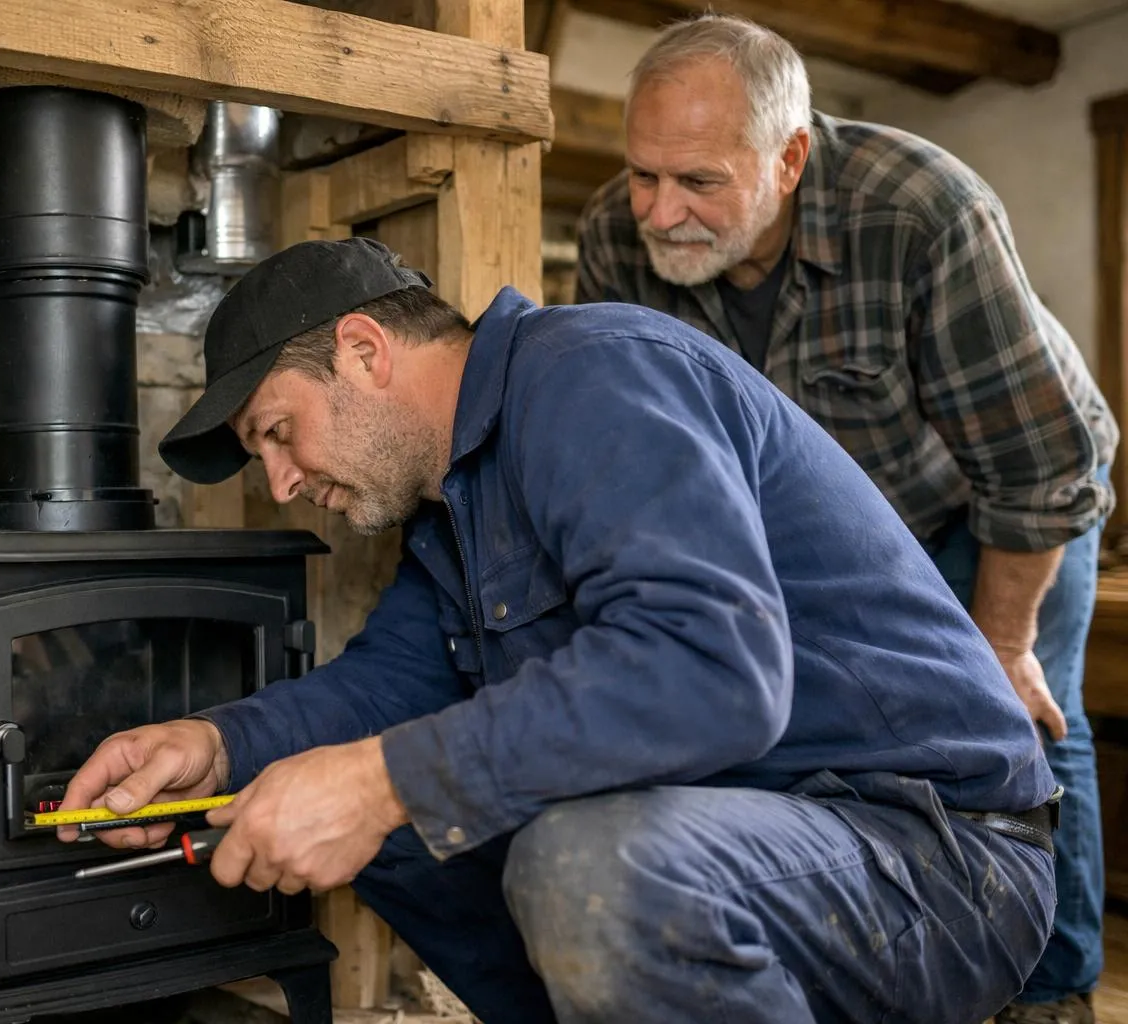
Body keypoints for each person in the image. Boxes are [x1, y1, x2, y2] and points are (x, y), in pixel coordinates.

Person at [56, 234, 1060, 1023]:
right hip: (760, 838)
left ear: (363, 352)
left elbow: (712, 667)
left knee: (581, 860)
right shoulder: (455, 508)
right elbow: (385, 689)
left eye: (279, 432)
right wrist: (216, 745)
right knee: (402, 840)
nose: (282, 483)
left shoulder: (591, 376)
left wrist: (379, 781)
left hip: (938, 857)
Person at [572, 16, 1118, 1023]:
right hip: (829, 533)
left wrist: (1003, 640)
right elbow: (631, 443)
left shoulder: (921, 209)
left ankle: (1055, 990)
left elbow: (1039, 465)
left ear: (789, 159)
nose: (658, 211)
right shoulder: (616, 234)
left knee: (1024, 728)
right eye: (644, 174)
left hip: (996, 500)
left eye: (698, 183)